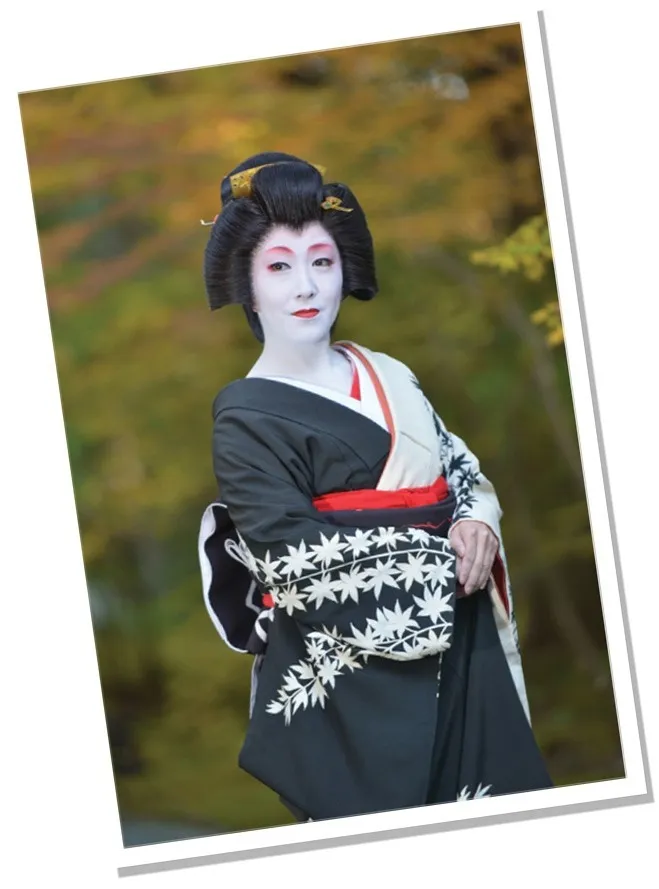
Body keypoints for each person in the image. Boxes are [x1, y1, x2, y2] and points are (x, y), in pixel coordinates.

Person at [198, 151, 552, 822]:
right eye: (279, 266)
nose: (306, 286)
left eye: (321, 261)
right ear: (246, 281)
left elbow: (459, 468)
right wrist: (442, 560)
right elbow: (292, 557)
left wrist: (475, 520)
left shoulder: (387, 371)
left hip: (465, 645)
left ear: (344, 269)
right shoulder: (243, 416)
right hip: (348, 678)